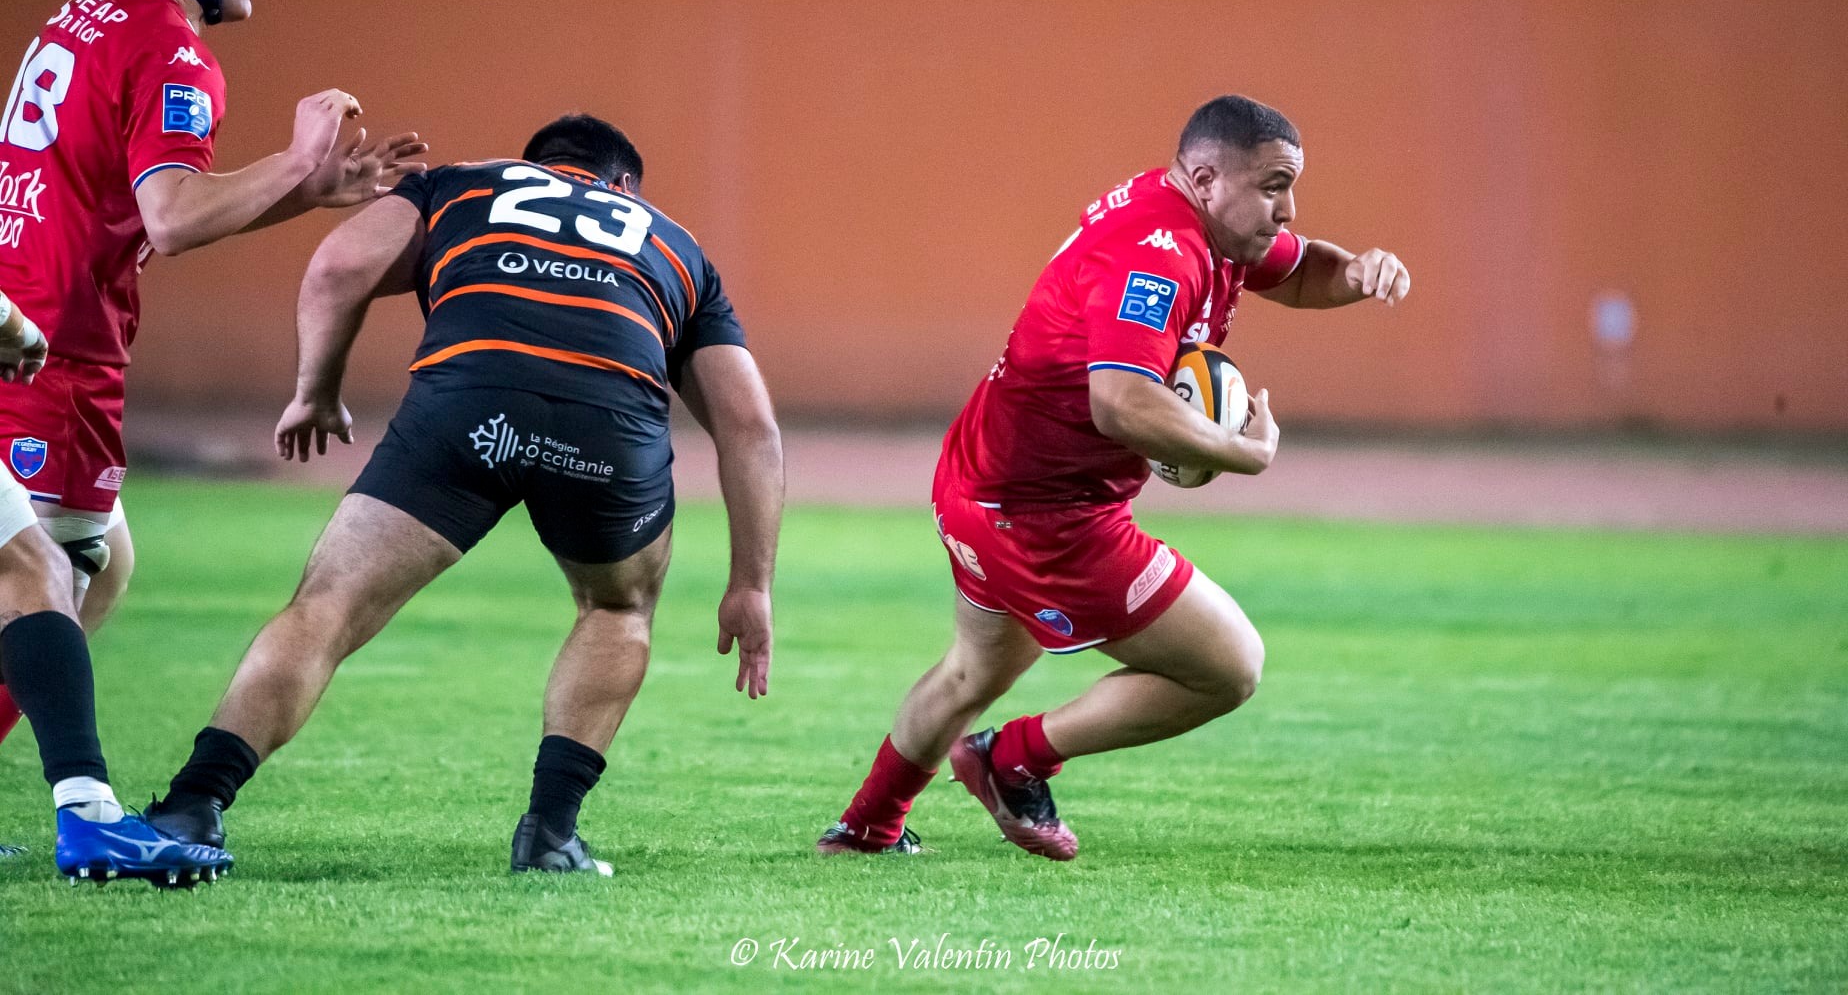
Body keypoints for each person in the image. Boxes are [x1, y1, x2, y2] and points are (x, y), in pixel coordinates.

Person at [144, 114, 783, 875]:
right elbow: (749, 426)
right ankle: (549, 835)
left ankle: (195, 802)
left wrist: (316, 392)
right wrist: (751, 584)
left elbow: (338, 268)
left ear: (536, 165)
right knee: (616, 608)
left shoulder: (460, 184)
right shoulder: (676, 246)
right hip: (605, 427)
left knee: (329, 604)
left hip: (467, 400)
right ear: (624, 188)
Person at [818, 95, 1411, 859]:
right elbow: (1121, 402)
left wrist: (1358, 272)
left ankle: (866, 830)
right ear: (1205, 177)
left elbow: (1298, 273)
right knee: (1229, 667)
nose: (1289, 208)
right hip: (1043, 516)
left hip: (984, 481)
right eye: (1273, 186)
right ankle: (1015, 758)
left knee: (973, 670)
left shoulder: (1203, 222)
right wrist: (1242, 453)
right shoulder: (1158, 252)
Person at [0, 0, 426, 751]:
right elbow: (175, 218)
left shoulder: (86, 17)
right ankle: (85, 797)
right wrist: (299, 155)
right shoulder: (175, 55)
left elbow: (149, 209)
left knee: (99, 567)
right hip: (52, 352)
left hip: (25, 319)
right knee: (49, 575)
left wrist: (306, 190)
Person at [0, 287, 233, 884]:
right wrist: (11, 321)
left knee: (95, 567)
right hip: (53, 378)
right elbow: (174, 219)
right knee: (36, 570)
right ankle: (90, 814)